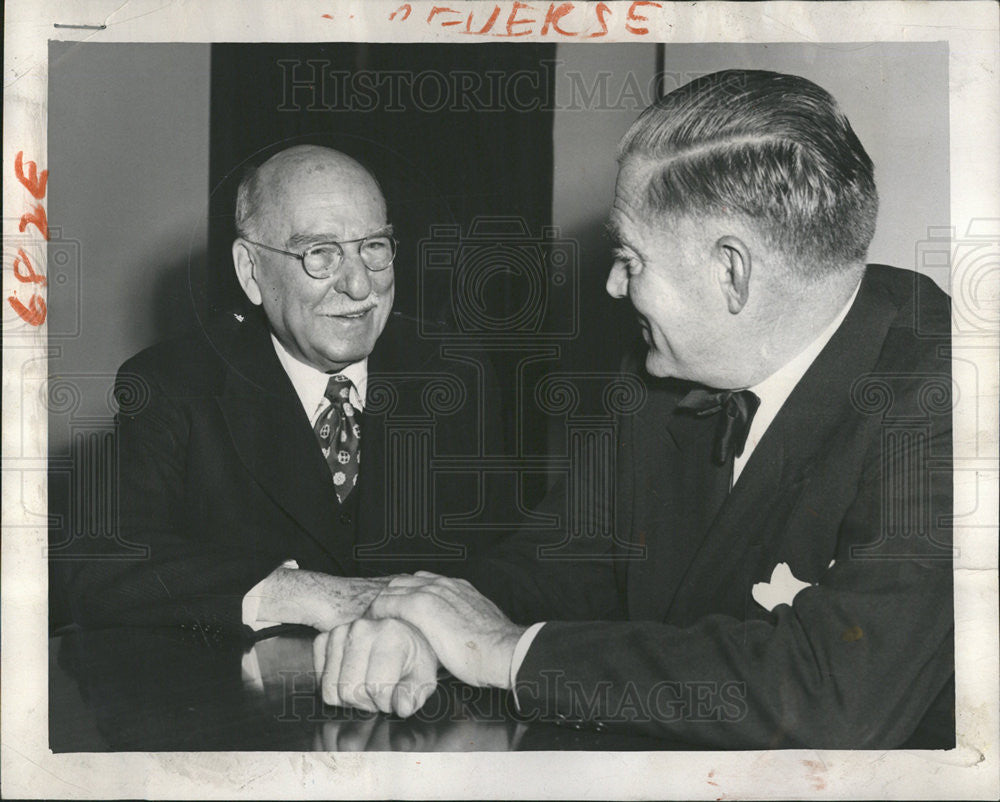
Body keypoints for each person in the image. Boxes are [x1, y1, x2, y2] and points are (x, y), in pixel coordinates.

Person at [315, 70, 955, 748]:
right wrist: (421, 624)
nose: (614, 286)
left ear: (731, 272)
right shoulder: (659, 372)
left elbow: (834, 699)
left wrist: (509, 653)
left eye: (630, 257)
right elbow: (553, 567)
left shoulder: (951, 399)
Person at [66, 145, 501, 647]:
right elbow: (101, 569)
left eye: (374, 246)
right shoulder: (175, 384)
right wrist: (304, 593)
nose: (360, 285)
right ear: (251, 271)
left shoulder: (451, 370)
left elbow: (505, 564)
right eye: (320, 253)